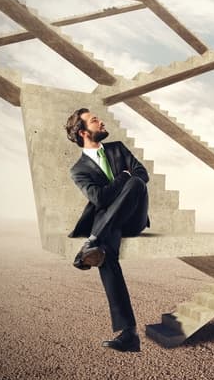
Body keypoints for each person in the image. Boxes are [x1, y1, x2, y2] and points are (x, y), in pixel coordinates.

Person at [64, 108, 150, 352]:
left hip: (134, 216)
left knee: (135, 182)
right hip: (109, 222)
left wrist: (124, 180)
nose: (101, 122)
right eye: (94, 120)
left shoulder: (118, 148)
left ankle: (93, 239)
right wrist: (123, 176)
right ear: (83, 132)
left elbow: (142, 174)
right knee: (105, 255)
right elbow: (99, 199)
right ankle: (129, 334)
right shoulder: (78, 170)